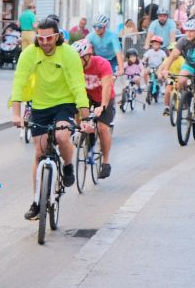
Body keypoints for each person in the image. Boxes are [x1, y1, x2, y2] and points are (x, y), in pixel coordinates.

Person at [10, 18, 89, 220]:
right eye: (41, 38)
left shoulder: (69, 54)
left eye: (49, 38)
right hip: (40, 105)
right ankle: (37, 201)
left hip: (64, 103)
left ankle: (68, 165)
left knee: (62, 137)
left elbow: (78, 84)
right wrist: (16, 113)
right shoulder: (29, 54)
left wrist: (85, 114)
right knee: (39, 152)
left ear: (57, 36)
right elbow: (19, 81)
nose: (45, 42)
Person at [158, 17, 195, 133]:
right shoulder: (183, 41)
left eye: (191, 31)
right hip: (189, 66)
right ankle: (186, 99)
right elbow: (172, 56)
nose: (188, 33)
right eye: (187, 31)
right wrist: (166, 70)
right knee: (181, 80)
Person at [75, 39, 117, 179]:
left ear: (87, 56)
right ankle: (83, 133)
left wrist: (103, 105)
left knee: (102, 127)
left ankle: (105, 163)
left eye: (79, 59)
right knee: (76, 109)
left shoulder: (102, 64)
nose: (76, 62)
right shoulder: (75, 67)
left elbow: (107, 86)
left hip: (104, 97)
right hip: (87, 96)